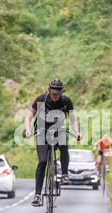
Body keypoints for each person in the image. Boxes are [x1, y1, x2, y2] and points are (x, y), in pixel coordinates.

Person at [24, 78, 82, 206]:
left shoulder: (66, 101)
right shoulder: (41, 99)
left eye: (58, 94)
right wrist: (28, 130)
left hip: (59, 131)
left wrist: (77, 132)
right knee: (43, 161)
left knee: (64, 146)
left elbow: (73, 120)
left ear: (61, 92)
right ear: (49, 90)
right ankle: (38, 195)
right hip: (42, 132)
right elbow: (29, 117)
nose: (55, 96)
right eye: (53, 93)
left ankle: (65, 174)